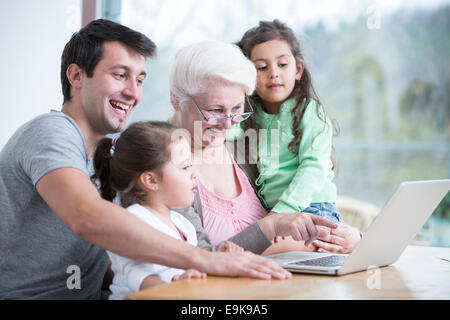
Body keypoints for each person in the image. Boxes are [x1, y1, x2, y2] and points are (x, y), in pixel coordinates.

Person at [0, 19, 290, 300]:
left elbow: (115, 262)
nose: (133, 92)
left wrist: (173, 277)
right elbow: (86, 217)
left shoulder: (114, 154)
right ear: (76, 76)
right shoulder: (51, 132)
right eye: (119, 75)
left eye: (139, 79)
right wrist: (204, 260)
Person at [169, 40, 340, 255]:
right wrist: (269, 227)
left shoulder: (240, 147)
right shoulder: (163, 165)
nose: (228, 123)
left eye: (237, 108)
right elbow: (198, 258)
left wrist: (351, 239)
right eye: (215, 110)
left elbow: (309, 180)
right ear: (175, 100)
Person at [236, 19, 361, 254]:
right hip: (277, 212)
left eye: (282, 64)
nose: (274, 73)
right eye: (261, 67)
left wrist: (282, 211)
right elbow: (224, 128)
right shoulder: (249, 116)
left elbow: (313, 167)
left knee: (263, 253)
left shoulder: (308, 111)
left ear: (298, 70)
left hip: (311, 208)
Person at [93, 121, 244, 299]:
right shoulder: (134, 221)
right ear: (151, 180)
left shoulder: (183, 224)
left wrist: (217, 257)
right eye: (185, 166)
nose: (194, 173)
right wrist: (180, 287)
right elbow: (138, 277)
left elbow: (190, 269)